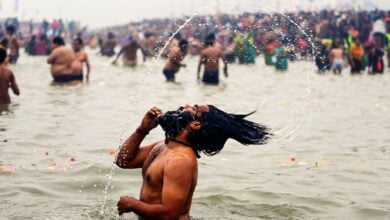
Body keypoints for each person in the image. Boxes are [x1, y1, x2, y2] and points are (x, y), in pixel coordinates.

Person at [116, 104, 270, 219]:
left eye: (194, 108)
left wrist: (132, 204)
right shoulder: (164, 146)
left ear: (195, 125)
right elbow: (123, 161)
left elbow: (170, 214)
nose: (185, 106)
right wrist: (142, 130)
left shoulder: (180, 161)